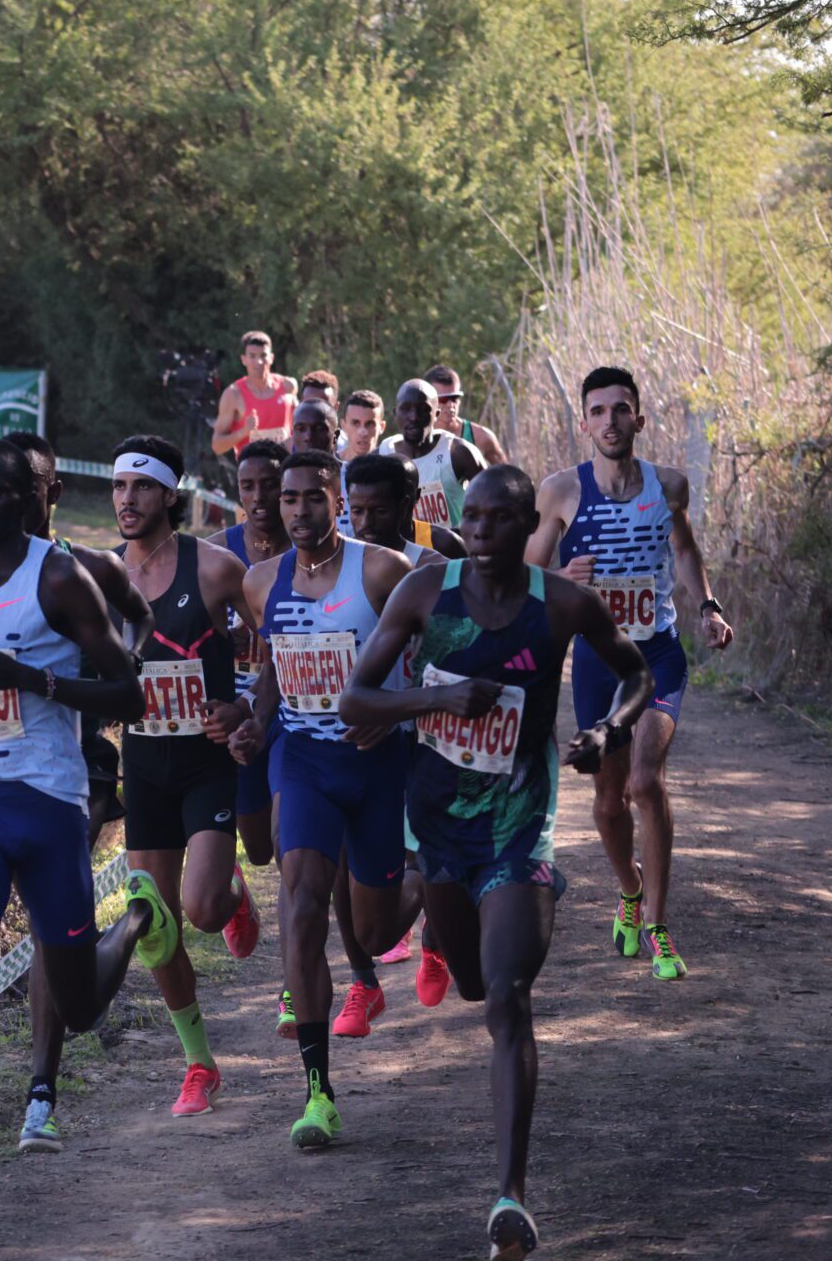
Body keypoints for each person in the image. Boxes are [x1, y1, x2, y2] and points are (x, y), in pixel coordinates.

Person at [341, 464, 653, 1259]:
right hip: (437, 826)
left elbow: (637, 675)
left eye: (497, 521)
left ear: (526, 527)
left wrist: (608, 735)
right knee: (475, 981)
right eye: (470, 520)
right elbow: (355, 700)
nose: (479, 533)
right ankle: (467, 929)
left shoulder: (563, 605)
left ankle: (510, 1197)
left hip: (517, 825)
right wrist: (434, 701)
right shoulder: (424, 593)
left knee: (504, 999)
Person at [0, 440, 175, 1261]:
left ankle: (137, 919)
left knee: (80, 1008)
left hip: (49, 807)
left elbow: (127, 689)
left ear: (25, 502)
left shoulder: (58, 578)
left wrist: (33, 679)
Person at [227, 450, 419, 1147]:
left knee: (371, 935)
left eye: (313, 498)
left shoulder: (383, 572)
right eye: (288, 499)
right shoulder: (260, 583)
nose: (299, 511)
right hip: (304, 762)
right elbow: (275, 671)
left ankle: (421, 877)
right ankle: (317, 1092)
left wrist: (394, 709)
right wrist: (254, 725)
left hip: (375, 767)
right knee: (302, 906)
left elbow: (440, 656)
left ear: (337, 501)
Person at [525, 366, 734, 981]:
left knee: (645, 783)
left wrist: (709, 605)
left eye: (621, 410)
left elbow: (686, 548)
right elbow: (526, 574)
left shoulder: (669, 485)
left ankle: (659, 928)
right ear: (584, 423)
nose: (610, 420)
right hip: (597, 660)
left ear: (638, 420)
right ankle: (630, 889)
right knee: (609, 803)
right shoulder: (561, 491)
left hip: (659, 654)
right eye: (598, 411)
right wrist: (563, 581)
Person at [110, 436, 263, 1118]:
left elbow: (277, 645)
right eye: (118, 487)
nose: (127, 499)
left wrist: (244, 707)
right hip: (142, 765)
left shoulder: (219, 569)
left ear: (169, 494)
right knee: (155, 925)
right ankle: (198, 1063)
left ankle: (230, 889)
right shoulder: (100, 576)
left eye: (141, 487)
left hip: (206, 763)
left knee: (201, 911)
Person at [332, 452, 459, 1025]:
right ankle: (362, 980)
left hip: (423, 739)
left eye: (379, 509)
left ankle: (433, 936)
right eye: (355, 509)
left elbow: (456, 659)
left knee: (419, 858)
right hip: (352, 738)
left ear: (410, 506)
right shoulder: (336, 563)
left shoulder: (431, 567)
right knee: (338, 860)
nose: (365, 522)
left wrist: (395, 709)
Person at [207, 439, 286, 884]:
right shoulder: (217, 553)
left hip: (293, 706)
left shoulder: (309, 547)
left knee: (289, 839)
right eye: (248, 486)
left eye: (270, 485)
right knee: (257, 850)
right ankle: (238, 895)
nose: (259, 498)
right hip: (237, 712)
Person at [384, 378, 486, 529]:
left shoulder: (458, 452)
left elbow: (493, 499)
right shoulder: (384, 454)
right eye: (406, 408)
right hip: (405, 552)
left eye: (423, 409)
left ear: (436, 414)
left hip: (453, 551)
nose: (414, 417)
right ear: (395, 412)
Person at [211, 331, 298, 455]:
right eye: (252, 356)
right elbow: (217, 446)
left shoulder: (288, 387)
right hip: (252, 472)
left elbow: (299, 429)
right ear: (243, 359)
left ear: (271, 358)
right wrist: (244, 431)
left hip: (284, 470)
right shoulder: (233, 395)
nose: (258, 362)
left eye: (263, 355)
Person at [425, 364, 509, 466]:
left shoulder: (481, 437)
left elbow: (506, 475)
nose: (450, 405)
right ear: (428, 400)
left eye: (455, 398)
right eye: (443, 399)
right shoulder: (415, 439)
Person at [338, 389, 384, 462]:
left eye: (370, 424)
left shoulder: (389, 470)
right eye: (356, 423)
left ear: (382, 427)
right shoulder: (328, 467)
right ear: (343, 426)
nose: (363, 432)